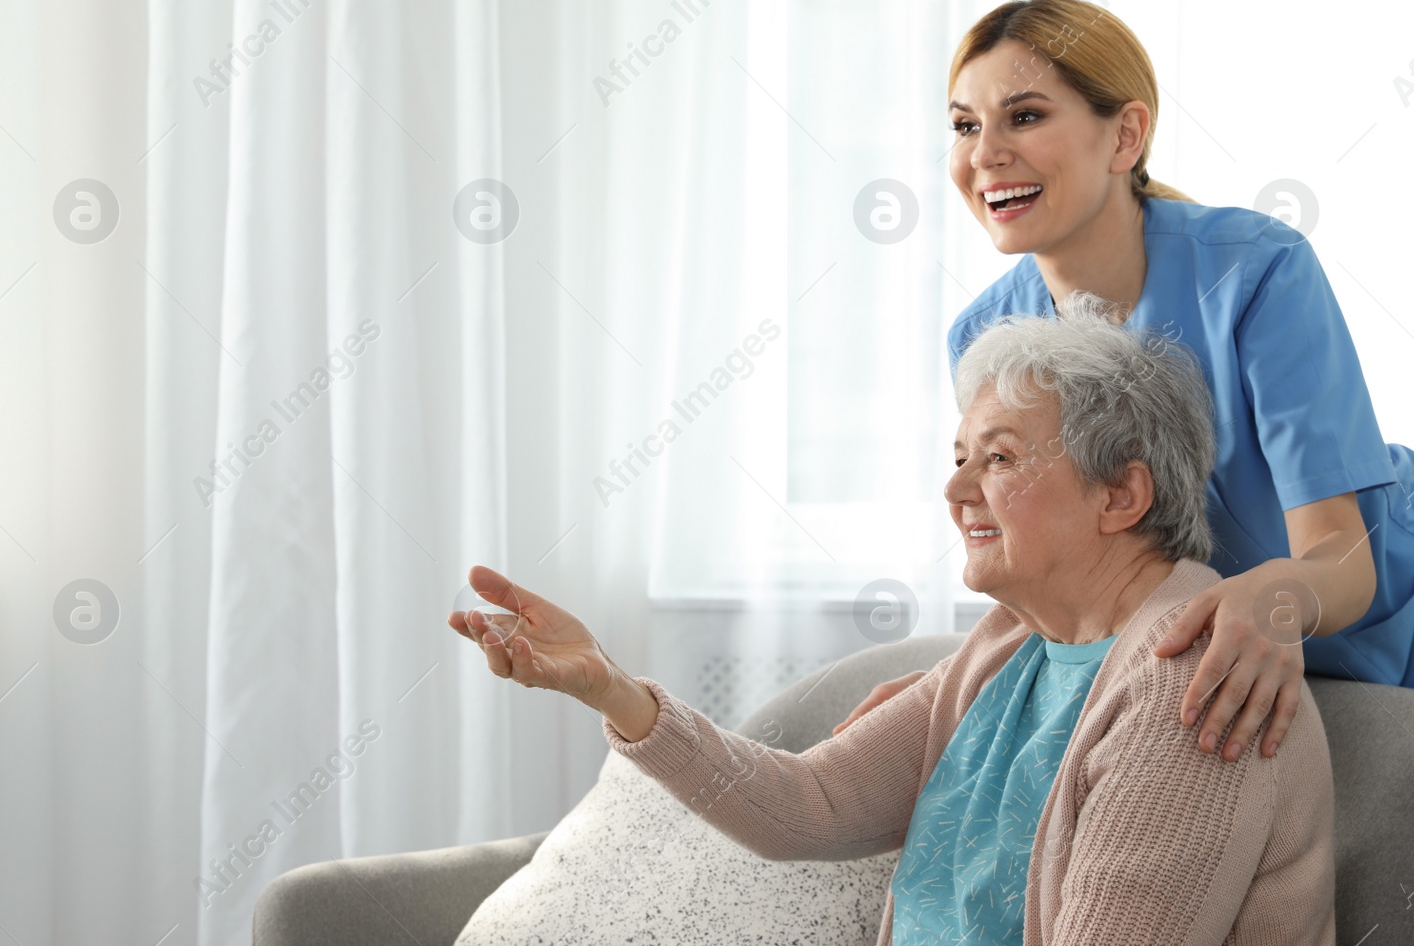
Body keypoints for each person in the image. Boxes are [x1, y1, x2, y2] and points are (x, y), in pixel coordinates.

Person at [449, 296, 1336, 945]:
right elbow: (809, 805)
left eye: (997, 458)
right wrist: (609, 684)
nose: (955, 492)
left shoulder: (1195, 674)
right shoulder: (1010, 650)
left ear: (1121, 494)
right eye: (958, 458)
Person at [836, 0, 1414, 763]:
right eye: (965, 125)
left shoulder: (1256, 271)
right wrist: (950, 690)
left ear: (1126, 134)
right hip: (1238, 634)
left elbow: (1341, 557)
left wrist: (1269, 598)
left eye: (1026, 116)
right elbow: (1063, 571)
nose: (985, 154)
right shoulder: (986, 339)